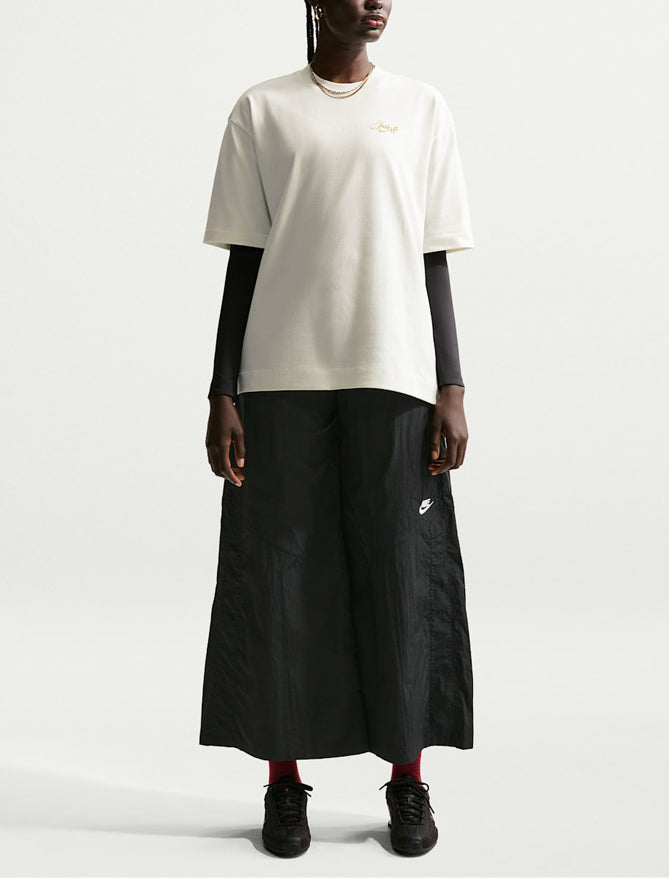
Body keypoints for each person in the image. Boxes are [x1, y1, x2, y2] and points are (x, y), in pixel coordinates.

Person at [200, 0, 475, 859]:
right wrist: (221, 390)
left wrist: (451, 384)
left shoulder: (421, 106)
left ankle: (407, 780)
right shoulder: (262, 109)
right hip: (279, 378)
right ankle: (283, 785)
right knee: (280, 577)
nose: (376, 2)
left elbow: (431, 256)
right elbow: (246, 258)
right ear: (315, 3)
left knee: (401, 576)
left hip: (394, 376)